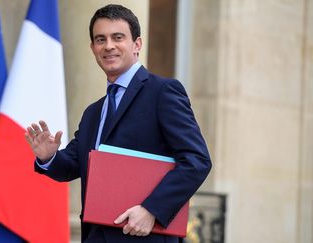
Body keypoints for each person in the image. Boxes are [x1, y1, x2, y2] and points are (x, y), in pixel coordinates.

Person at [25, 4, 212, 243]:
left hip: (144, 235)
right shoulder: (93, 112)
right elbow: (73, 165)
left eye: (118, 37)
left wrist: (152, 210)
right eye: (100, 39)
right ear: (93, 48)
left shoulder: (163, 92)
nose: (108, 46)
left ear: (137, 44)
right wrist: (48, 157)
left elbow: (197, 161)